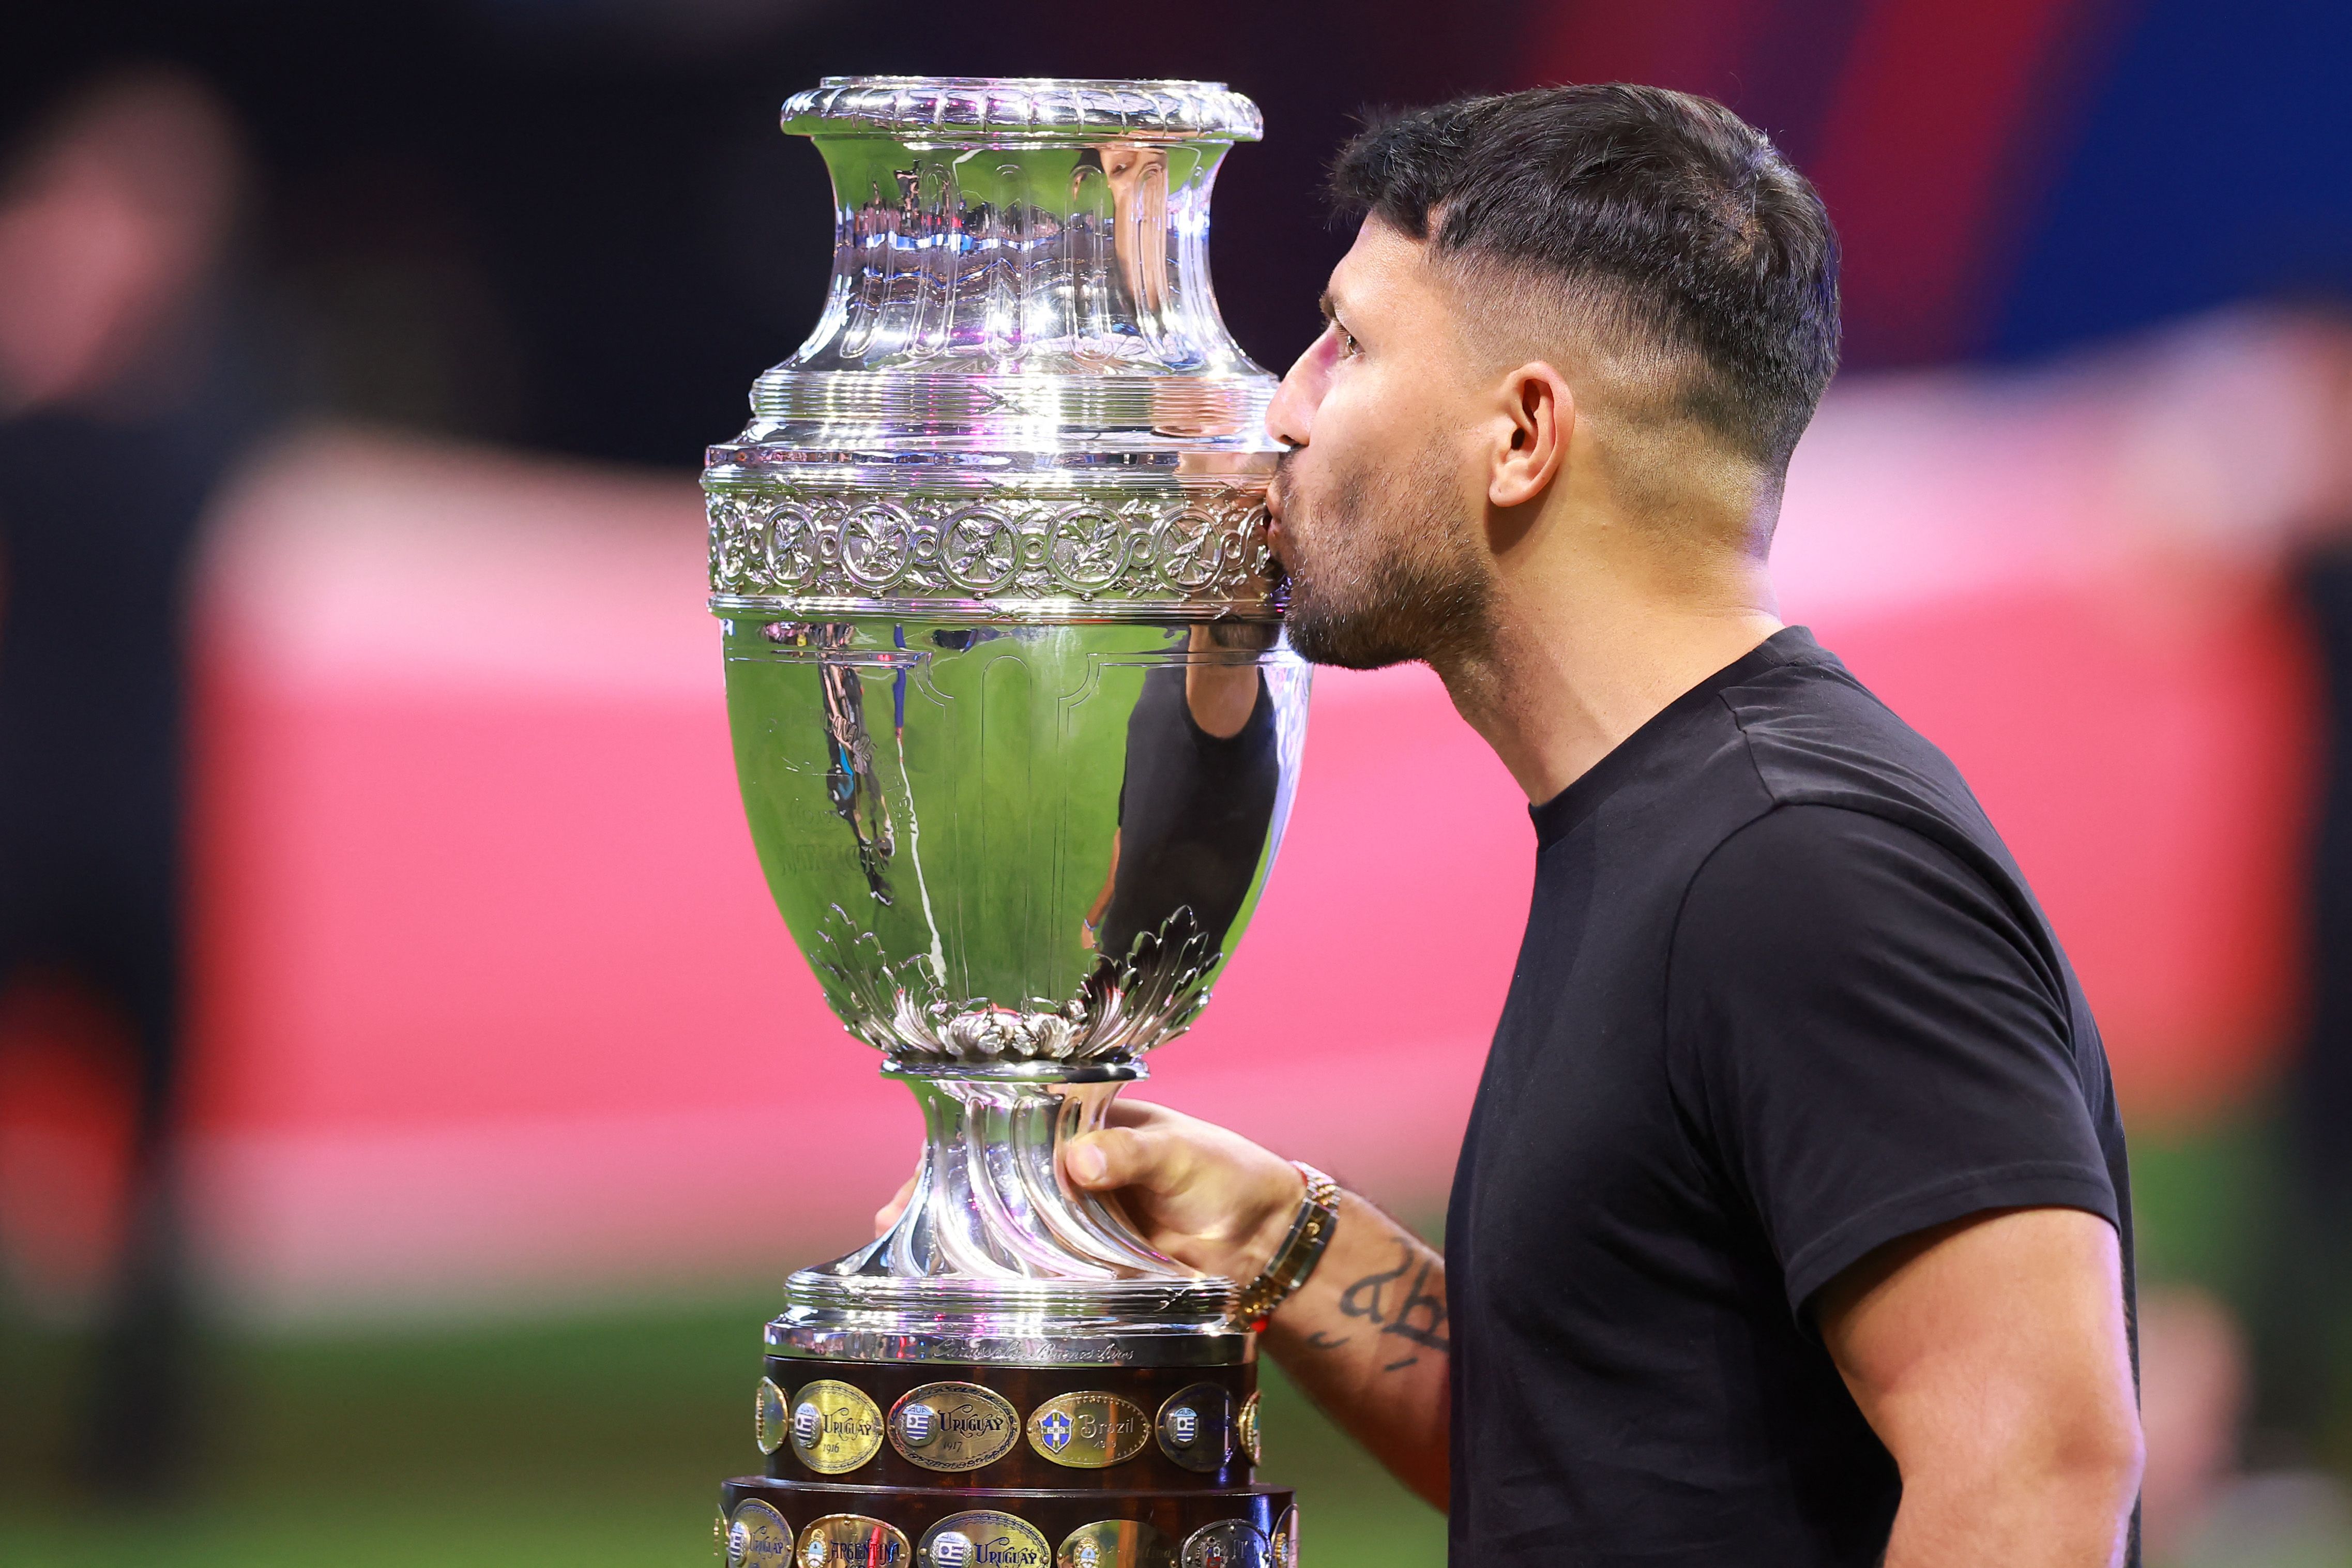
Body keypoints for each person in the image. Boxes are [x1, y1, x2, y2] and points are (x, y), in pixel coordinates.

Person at [881, 85, 2144, 1565]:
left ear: (1524, 432)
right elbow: (1610, 1455)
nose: (1287, 406)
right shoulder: (1682, 828)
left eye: (1349, 343)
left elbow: (2038, 1474)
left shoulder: (1803, 862)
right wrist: (1281, 1235)